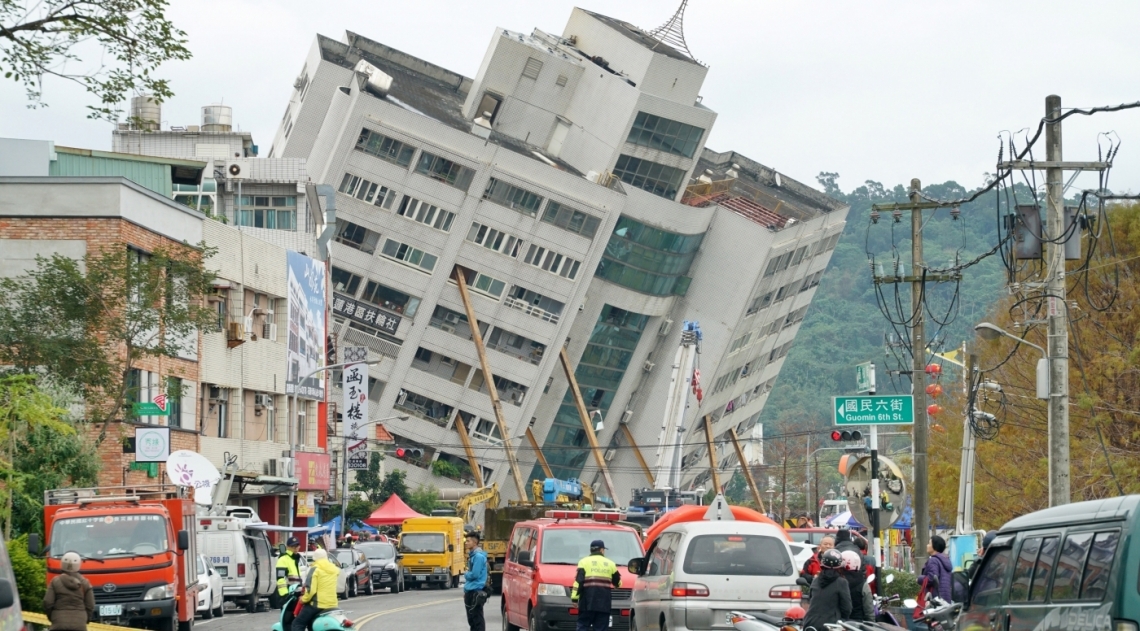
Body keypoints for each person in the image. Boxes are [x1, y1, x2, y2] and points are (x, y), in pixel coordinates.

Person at [571, 540, 621, 631]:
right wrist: (617, 585)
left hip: (587, 604)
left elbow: (578, 582)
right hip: (604, 605)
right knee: (600, 628)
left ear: (591, 550)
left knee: (582, 626)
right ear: (602, 550)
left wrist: (574, 598)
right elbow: (617, 582)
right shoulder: (611, 564)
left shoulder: (583, 562)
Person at [803, 549, 851, 631]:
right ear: (839, 566)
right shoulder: (842, 582)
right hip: (830, 625)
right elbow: (847, 608)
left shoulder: (815, 580)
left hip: (809, 623)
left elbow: (811, 599)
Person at [44, 552, 94, 631]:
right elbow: (90, 605)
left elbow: (48, 602)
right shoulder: (85, 583)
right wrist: (86, 619)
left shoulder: (55, 581)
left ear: (62, 564)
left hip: (58, 622)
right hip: (79, 623)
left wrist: (52, 617)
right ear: (78, 564)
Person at [292, 548, 338, 631]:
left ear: (315, 558)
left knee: (297, 623)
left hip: (318, 604)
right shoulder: (333, 569)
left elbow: (311, 590)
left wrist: (303, 599)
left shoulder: (315, 569)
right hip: (333, 604)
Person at [463, 531, 488, 631]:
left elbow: (475, 574)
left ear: (475, 542)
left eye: (468, 541)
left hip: (475, 591)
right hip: (470, 591)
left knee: (477, 620)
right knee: (472, 620)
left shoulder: (478, 557)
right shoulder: (473, 556)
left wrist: (466, 574)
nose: (466, 543)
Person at [840, 550, 871, 622]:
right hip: (858, 623)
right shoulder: (863, 583)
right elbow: (868, 610)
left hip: (839, 622)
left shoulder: (837, 581)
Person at [922, 535, 954, 603]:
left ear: (935, 546)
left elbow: (931, 578)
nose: (927, 545)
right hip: (945, 598)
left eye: (929, 543)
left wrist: (919, 579)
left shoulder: (933, 560)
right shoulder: (945, 560)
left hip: (935, 600)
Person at [274, 537, 303, 609]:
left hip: (296, 594)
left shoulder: (295, 559)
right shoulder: (283, 559)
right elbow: (280, 579)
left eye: (297, 546)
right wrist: (285, 595)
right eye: (293, 546)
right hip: (288, 595)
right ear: (288, 547)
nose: (296, 548)